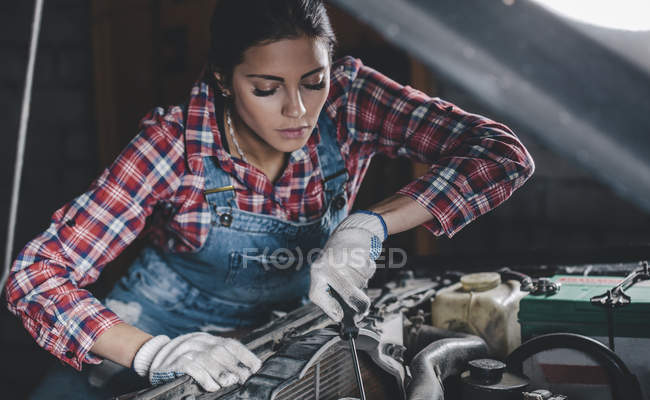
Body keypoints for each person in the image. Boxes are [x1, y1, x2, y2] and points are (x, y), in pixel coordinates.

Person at [5, 0, 535, 398]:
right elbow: (35, 275)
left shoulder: (350, 100)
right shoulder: (174, 144)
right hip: (156, 323)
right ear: (223, 79)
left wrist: (369, 225)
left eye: (313, 82)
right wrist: (152, 351)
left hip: (286, 323)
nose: (298, 111)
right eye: (266, 88)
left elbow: (500, 155)